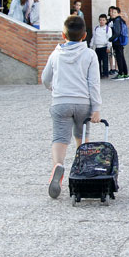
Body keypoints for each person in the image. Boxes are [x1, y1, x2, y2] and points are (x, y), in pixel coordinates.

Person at [40, 15, 102, 199]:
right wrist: (96, 108)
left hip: (61, 102)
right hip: (83, 102)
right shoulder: (90, 54)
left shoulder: (56, 53)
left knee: (59, 138)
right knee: (82, 138)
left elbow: (45, 78)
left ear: (63, 35)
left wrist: (53, 88)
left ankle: (58, 166)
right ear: (84, 35)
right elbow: (94, 83)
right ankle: (82, 172)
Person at [108, 6, 129, 81]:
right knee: (122, 57)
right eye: (112, 12)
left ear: (118, 13)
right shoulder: (121, 20)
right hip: (121, 41)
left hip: (117, 41)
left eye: (114, 12)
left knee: (119, 57)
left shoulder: (116, 21)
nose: (112, 14)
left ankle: (120, 74)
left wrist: (110, 39)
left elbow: (117, 32)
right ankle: (125, 73)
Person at [89, 13, 112, 78]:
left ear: (106, 21)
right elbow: (93, 37)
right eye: (100, 20)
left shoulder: (108, 29)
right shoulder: (96, 28)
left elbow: (109, 38)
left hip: (104, 47)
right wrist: (91, 45)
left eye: (103, 20)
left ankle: (105, 74)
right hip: (97, 47)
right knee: (97, 62)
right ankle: (98, 74)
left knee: (105, 62)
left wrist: (108, 47)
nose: (102, 21)